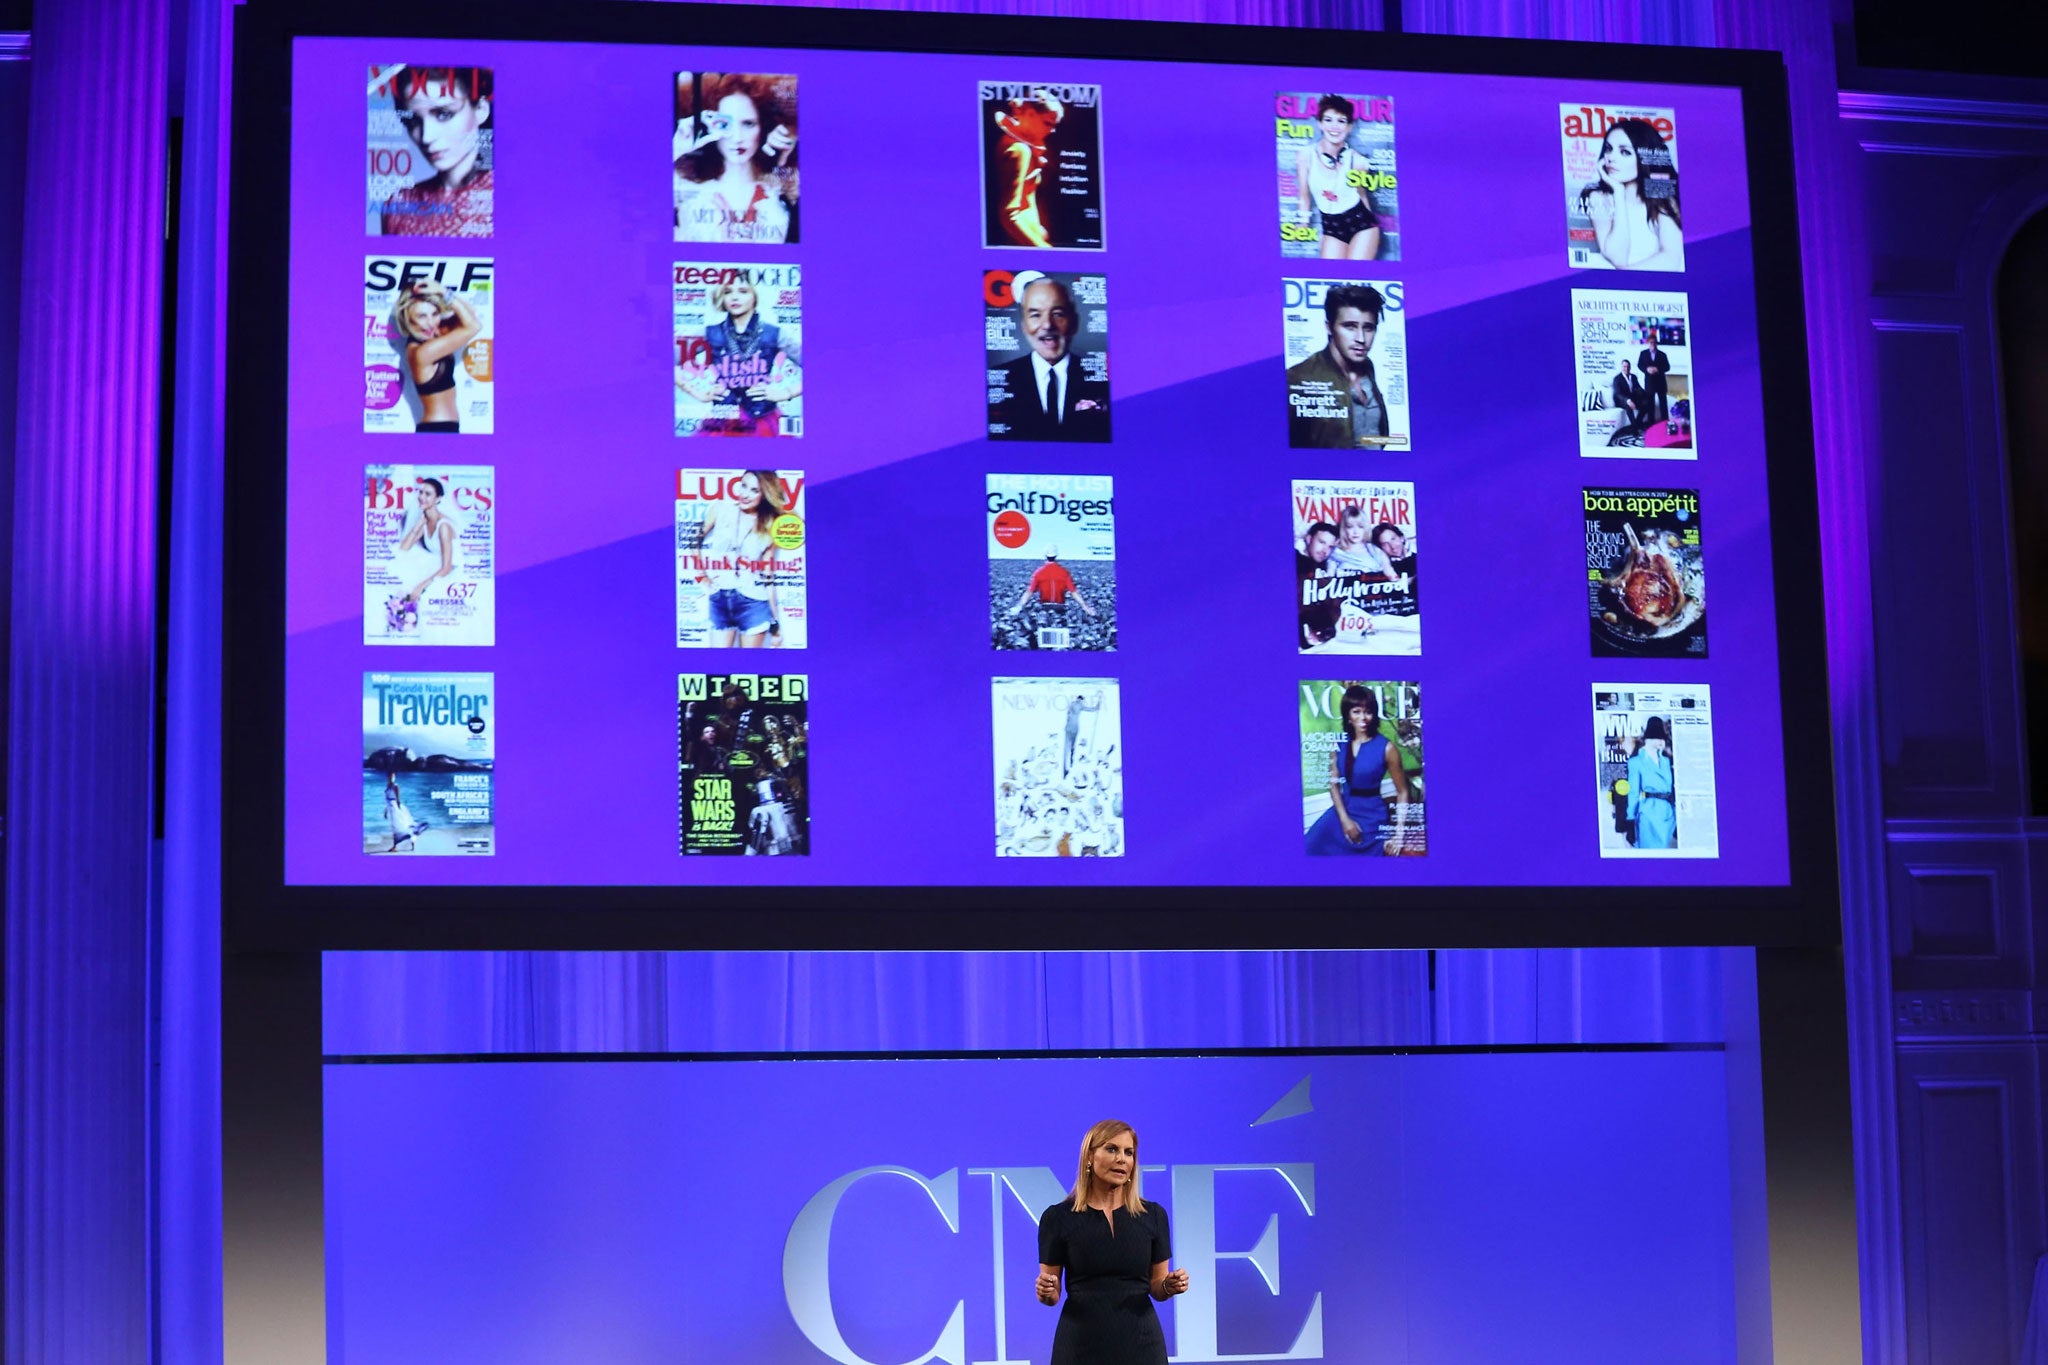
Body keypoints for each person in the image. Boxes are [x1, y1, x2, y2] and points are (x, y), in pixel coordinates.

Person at [1035, 1120, 1189, 1365]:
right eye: (1112, 1149)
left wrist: (1169, 1285)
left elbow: (1157, 1287)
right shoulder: (1057, 1218)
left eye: (1129, 1153)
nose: (1122, 1159)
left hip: (1141, 1342)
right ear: (1089, 1157)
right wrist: (1046, 1290)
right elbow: (1052, 1295)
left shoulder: (1154, 1216)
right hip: (1080, 1342)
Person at [674, 73, 799, 244]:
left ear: (763, 126)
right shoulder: (686, 192)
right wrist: (677, 147)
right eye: (725, 124)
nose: (737, 137)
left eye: (748, 124)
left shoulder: (783, 194)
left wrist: (794, 143)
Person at [677, 272, 801, 437]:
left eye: (743, 291)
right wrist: (696, 392)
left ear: (754, 296)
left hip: (764, 419)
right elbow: (663, 360)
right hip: (722, 421)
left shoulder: (775, 334)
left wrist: (787, 393)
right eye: (728, 292)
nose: (735, 297)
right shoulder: (709, 333)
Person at [992, 274, 1110, 441]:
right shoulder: (995, 378)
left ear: (1074, 322)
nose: (1047, 325)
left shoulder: (1105, 380)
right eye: (1035, 315)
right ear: (1024, 326)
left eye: (1058, 313)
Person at [379, 65, 493, 237]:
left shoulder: (510, 197)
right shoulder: (400, 204)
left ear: (480, 110)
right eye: (414, 122)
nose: (426, 137)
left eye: (443, 114)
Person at [1304, 684, 1413, 854]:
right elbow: (1332, 785)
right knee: (1309, 845)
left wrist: (1399, 834)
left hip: (1371, 816)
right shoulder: (1338, 744)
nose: (1363, 717)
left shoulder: (1387, 748)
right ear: (1348, 715)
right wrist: (1345, 820)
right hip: (1342, 812)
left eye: (1368, 711)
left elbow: (1403, 792)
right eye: (1356, 711)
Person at [688, 470, 789, 648]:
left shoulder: (771, 525)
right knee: (718, 667)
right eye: (743, 486)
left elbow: (768, 577)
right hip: (720, 598)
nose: (744, 494)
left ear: (764, 495)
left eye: (754, 490)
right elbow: (694, 540)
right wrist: (701, 575)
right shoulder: (720, 508)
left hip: (754, 603)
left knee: (748, 666)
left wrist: (775, 622)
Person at [1286, 283, 1393, 449]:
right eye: (1350, 326)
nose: (1361, 339)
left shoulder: (1367, 366)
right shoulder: (1297, 378)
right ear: (1329, 327)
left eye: (1368, 328)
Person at [1576, 118, 1684, 270]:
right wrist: (1618, 193)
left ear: (1645, 159)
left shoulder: (1661, 195)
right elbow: (1619, 259)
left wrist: (1625, 281)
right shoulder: (1598, 197)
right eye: (1608, 149)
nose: (1611, 158)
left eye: (1625, 152)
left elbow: (1671, 258)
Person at [1295, 94, 1381, 260]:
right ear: (1320, 123)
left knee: (1357, 277)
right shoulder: (1305, 155)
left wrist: (1374, 233)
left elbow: (1362, 195)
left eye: (1341, 121)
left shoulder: (1357, 160)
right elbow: (1304, 196)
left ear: (1349, 127)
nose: (1334, 127)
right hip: (1331, 227)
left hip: (1362, 225)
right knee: (1332, 279)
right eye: (1328, 120)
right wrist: (1302, 225)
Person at [390, 280, 483, 433]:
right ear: (408, 318)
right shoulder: (422, 352)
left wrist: (442, 292)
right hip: (436, 428)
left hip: (446, 428)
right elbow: (474, 326)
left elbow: (471, 313)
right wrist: (444, 292)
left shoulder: (433, 333)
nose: (431, 323)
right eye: (421, 316)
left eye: (435, 314)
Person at [990, 90, 1063, 247]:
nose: (1051, 130)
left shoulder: (1018, 145)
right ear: (1030, 114)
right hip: (1021, 246)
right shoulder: (1020, 150)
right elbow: (1009, 215)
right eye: (1047, 123)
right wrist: (1043, 250)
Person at [1008, 547, 1098, 644]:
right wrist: (1085, 607)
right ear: (1056, 556)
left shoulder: (1039, 572)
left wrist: (1019, 606)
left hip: (1044, 607)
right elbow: (1073, 592)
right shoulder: (1064, 572)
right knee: (1061, 639)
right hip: (1060, 608)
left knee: (1042, 636)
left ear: (1045, 556)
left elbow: (1029, 592)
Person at [395, 476, 458, 609]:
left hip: (452, 572)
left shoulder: (444, 526)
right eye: (420, 492)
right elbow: (403, 548)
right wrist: (418, 525)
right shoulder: (425, 520)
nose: (422, 497)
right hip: (437, 568)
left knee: (419, 592)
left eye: (428, 494)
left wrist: (421, 586)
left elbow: (447, 567)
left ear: (438, 499)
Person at [1627, 715, 1678, 848]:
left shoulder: (1666, 761)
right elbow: (1633, 793)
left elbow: (1671, 787)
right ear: (1648, 739)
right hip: (1649, 814)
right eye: (1656, 737)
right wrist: (1630, 820)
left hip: (1669, 814)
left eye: (1662, 737)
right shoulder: (1636, 762)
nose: (1661, 741)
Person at [1297, 521, 1344, 647]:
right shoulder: (1293, 560)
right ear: (1309, 539)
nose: (1325, 551)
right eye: (1322, 542)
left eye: (1330, 547)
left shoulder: (1329, 567)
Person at [382, 771, 423, 852]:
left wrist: (399, 810)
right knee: (396, 827)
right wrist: (386, 811)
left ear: (394, 777)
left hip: (395, 808)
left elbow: (398, 799)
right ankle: (398, 845)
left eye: (392, 777)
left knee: (400, 826)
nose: (391, 778)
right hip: (390, 808)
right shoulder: (387, 786)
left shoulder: (395, 786)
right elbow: (386, 800)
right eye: (390, 777)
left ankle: (398, 846)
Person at [1611, 359, 1650, 439]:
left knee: (1646, 404)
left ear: (1630, 367)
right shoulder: (1617, 378)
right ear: (1622, 367)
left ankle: (1637, 423)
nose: (1626, 368)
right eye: (1624, 366)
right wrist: (1628, 401)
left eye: (1628, 366)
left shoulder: (1634, 377)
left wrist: (1646, 394)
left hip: (1633, 399)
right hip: (1621, 400)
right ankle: (1634, 429)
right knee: (1629, 407)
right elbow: (1618, 393)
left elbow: (1638, 388)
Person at [1638, 328, 1671, 421]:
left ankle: (1665, 423)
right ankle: (1651, 425)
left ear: (1657, 343)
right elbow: (1639, 365)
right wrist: (1647, 369)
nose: (1652, 344)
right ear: (1648, 343)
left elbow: (1667, 367)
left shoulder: (1662, 354)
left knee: (1663, 404)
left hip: (1661, 383)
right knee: (1650, 404)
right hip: (1649, 383)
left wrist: (1658, 369)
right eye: (1651, 342)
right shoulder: (1643, 353)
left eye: (1654, 342)